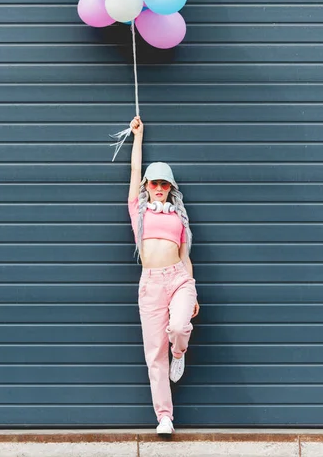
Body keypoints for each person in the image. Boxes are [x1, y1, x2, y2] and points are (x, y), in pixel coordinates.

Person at [127, 114, 200, 436]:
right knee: (153, 353)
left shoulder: (179, 218)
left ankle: (179, 351)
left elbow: (186, 257)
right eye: (153, 183)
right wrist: (137, 137)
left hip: (179, 278)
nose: (158, 188)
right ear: (147, 187)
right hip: (151, 283)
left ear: (171, 189)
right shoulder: (138, 210)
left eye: (164, 184)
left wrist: (193, 290)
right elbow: (133, 172)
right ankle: (165, 417)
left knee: (179, 327)